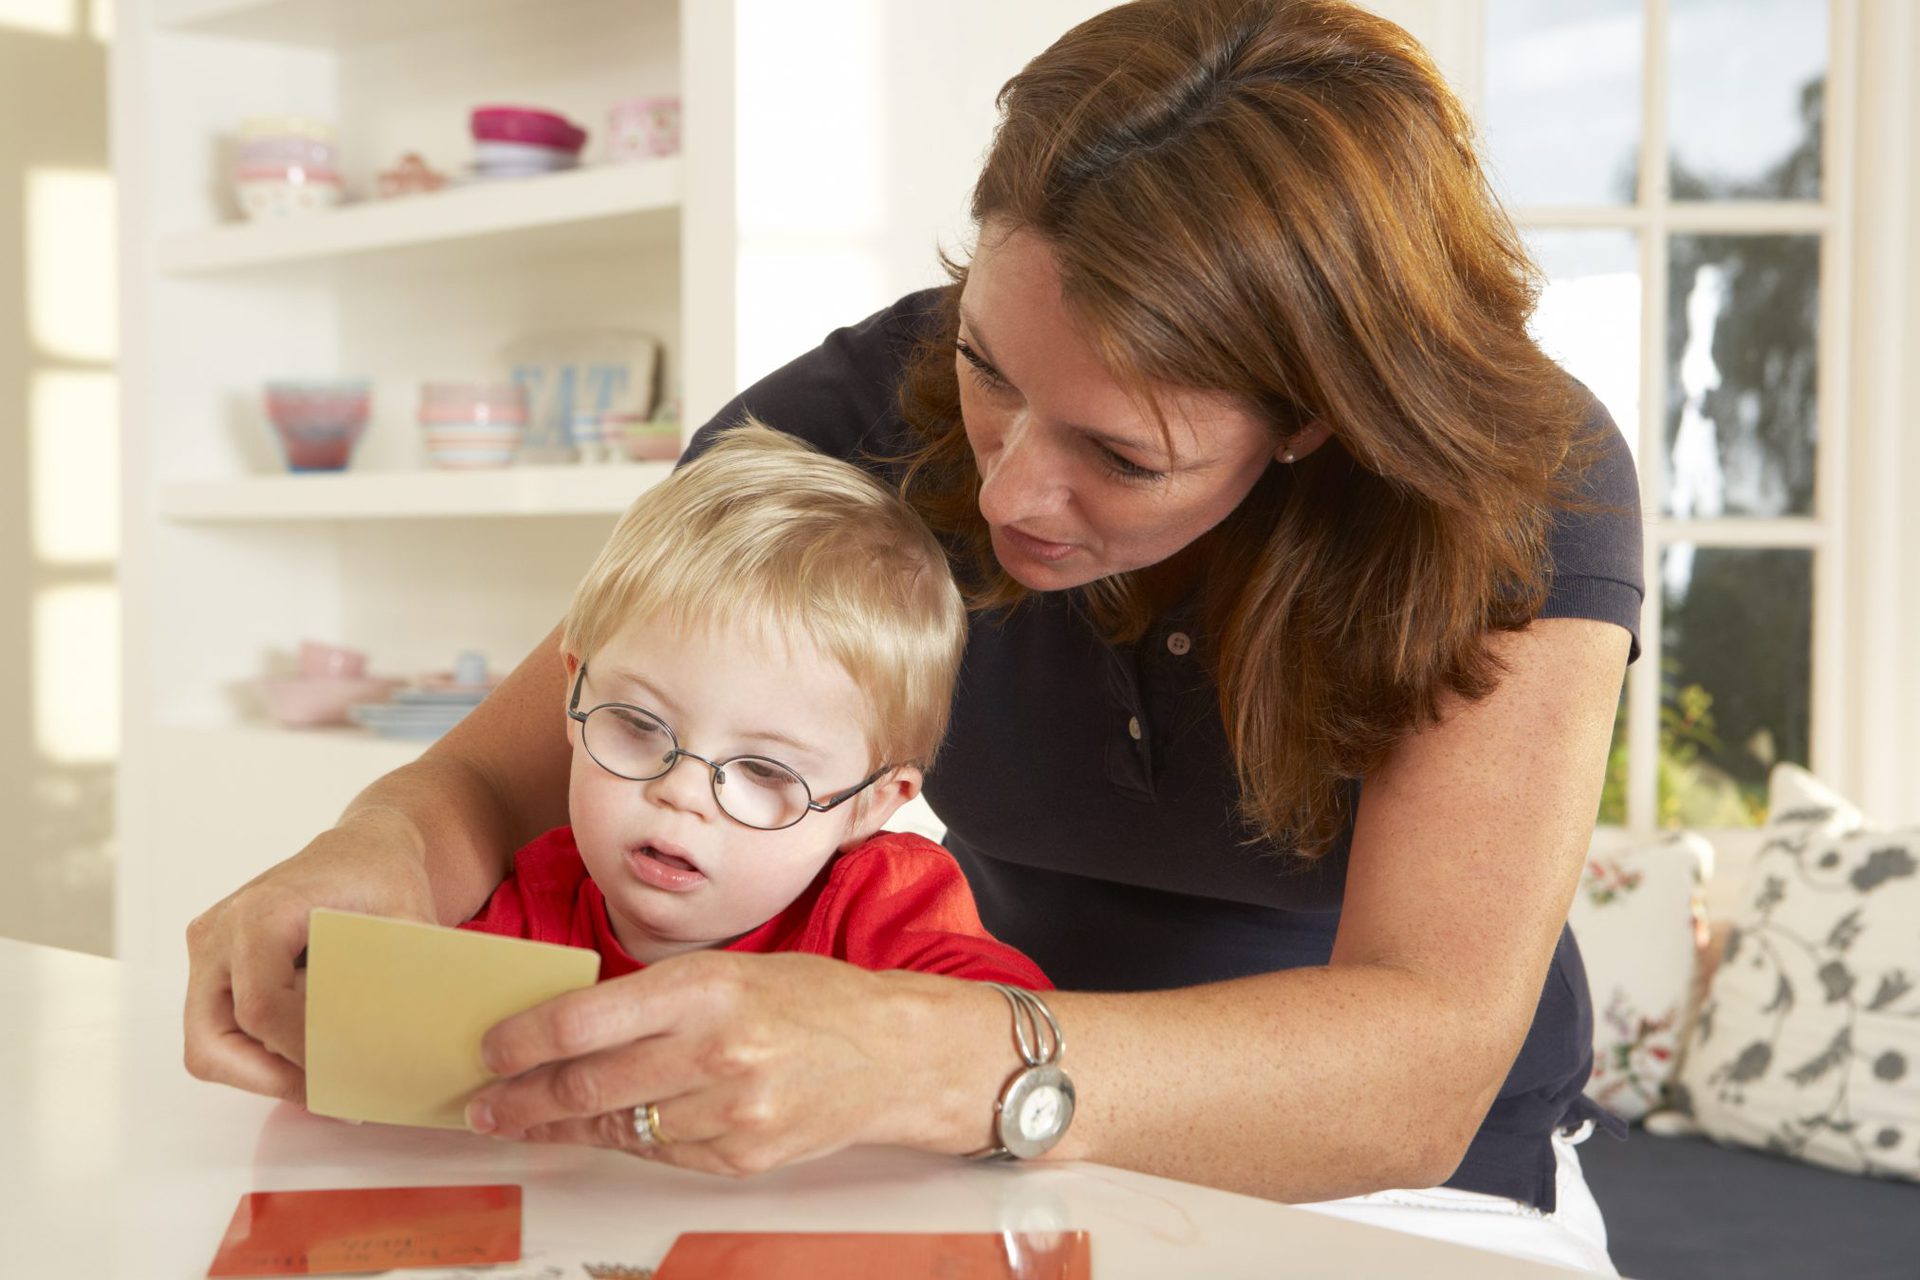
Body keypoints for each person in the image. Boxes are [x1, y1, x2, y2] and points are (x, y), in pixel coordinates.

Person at [184, 1, 1640, 1272]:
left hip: (1402, 1202)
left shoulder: (1516, 490)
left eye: (1122, 459)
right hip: (967, 1150)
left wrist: (921, 1061)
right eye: (988, 368)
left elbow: (1419, 1067)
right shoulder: (858, 413)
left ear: (1313, 420)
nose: (1005, 488)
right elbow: (502, 774)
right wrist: (363, 855)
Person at [455, 422, 1048, 997]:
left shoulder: (883, 910)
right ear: (573, 691)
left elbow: (1024, 1041)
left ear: (868, 804)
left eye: (765, 770)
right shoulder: (533, 900)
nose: (681, 793)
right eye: (639, 725)